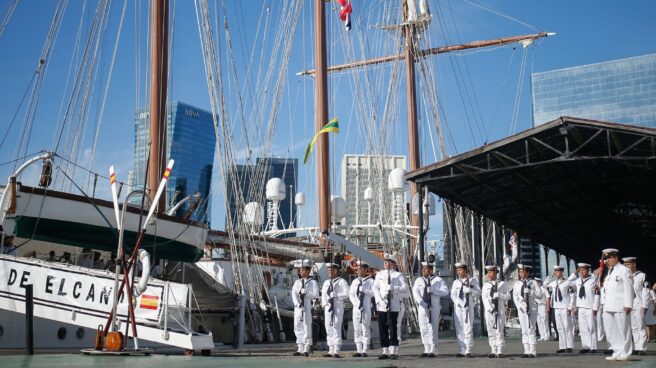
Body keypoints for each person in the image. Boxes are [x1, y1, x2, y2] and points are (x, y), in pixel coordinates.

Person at [373, 252, 408, 360]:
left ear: (393, 264)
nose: (386, 264)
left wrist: (394, 287)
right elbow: (375, 288)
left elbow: (405, 289)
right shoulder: (380, 275)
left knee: (393, 327)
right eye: (385, 262)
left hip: (393, 304)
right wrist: (378, 300)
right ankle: (385, 350)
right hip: (382, 305)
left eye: (388, 262)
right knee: (382, 327)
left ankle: (393, 350)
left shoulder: (398, 275)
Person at [601, 248, 634, 361]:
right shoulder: (610, 271)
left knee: (623, 329)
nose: (607, 260)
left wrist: (628, 304)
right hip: (608, 305)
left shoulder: (624, 270)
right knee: (611, 329)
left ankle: (626, 351)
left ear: (616, 258)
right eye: (606, 258)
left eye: (609, 258)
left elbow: (629, 288)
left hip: (620, 305)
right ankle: (616, 350)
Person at [412, 261, 448, 358]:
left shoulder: (438, 280)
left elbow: (445, 292)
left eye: (426, 268)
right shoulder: (419, 280)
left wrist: (434, 291)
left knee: (432, 327)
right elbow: (415, 292)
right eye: (423, 268)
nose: (423, 270)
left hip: (434, 306)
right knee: (423, 328)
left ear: (431, 270)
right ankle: (426, 348)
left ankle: (433, 349)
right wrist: (421, 302)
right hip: (423, 306)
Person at [450, 262, 481, 358]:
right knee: (459, 329)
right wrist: (459, 303)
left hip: (468, 307)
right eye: (457, 270)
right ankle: (461, 349)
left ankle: (468, 349)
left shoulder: (472, 281)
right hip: (459, 307)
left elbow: (479, 293)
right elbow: (453, 295)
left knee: (468, 328)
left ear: (465, 270)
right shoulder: (456, 282)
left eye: (460, 270)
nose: (458, 272)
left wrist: (471, 290)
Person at [544, 265, 577, 353]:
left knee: (567, 327)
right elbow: (545, 284)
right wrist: (550, 275)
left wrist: (570, 307)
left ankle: (569, 346)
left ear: (562, 272)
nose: (556, 273)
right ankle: (562, 346)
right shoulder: (554, 283)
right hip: (556, 307)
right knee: (559, 328)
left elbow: (572, 295)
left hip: (565, 307)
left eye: (558, 271)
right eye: (555, 271)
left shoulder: (568, 282)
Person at [513, 264, 543, 357]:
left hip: (532, 308)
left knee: (531, 328)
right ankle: (526, 350)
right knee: (524, 329)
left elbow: (540, 295)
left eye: (523, 271)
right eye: (520, 272)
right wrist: (519, 306)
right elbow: (515, 296)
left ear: (527, 272)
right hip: (522, 308)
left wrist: (531, 292)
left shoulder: (533, 283)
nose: (521, 273)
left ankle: (533, 350)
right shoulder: (517, 284)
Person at [321, 263, 349, 358]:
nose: (330, 272)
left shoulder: (341, 281)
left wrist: (337, 295)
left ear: (336, 271)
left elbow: (346, 294)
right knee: (328, 327)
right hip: (328, 307)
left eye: (331, 270)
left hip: (337, 305)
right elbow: (324, 295)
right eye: (328, 270)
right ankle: (330, 349)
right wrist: (324, 304)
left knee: (336, 326)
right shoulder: (326, 283)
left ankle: (337, 350)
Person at [481, 265, 510, 358]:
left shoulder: (502, 284)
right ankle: (493, 350)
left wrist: (500, 295)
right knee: (491, 330)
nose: (489, 274)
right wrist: (490, 308)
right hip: (489, 310)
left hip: (500, 308)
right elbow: (484, 298)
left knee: (499, 329)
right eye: (488, 272)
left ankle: (500, 350)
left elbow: (508, 296)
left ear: (496, 272)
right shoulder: (485, 285)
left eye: (491, 272)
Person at [291, 259, 318, 357]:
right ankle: (300, 347)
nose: (301, 272)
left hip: (306, 305)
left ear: (308, 271)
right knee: (297, 326)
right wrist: (297, 304)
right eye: (300, 270)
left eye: (303, 270)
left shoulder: (312, 282)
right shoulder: (297, 282)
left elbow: (316, 294)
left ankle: (307, 348)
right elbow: (293, 293)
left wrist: (306, 292)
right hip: (298, 307)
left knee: (306, 326)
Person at [622, 257, 648, 355]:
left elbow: (645, 291)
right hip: (629, 304)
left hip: (638, 303)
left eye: (628, 264)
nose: (626, 266)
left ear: (634, 264)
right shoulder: (625, 276)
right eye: (625, 264)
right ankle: (637, 347)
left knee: (640, 326)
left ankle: (642, 348)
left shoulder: (642, 276)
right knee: (633, 327)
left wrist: (644, 305)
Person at [573, 263, 600, 353]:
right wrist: (574, 273)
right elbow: (569, 283)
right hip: (581, 307)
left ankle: (593, 347)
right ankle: (586, 346)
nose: (582, 271)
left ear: (588, 270)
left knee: (592, 327)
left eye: (583, 269)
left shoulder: (593, 280)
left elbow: (597, 294)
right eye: (580, 270)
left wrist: (595, 307)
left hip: (590, 307)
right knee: (583, 328)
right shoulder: (577, 281)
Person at [349, 261, 374, 357]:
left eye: (360, 269)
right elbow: (351, 294)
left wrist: (365, 291)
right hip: (356, 308)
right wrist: (356, 303)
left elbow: (374, 293)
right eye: (357, 269)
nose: (358, 271)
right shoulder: (355, 282)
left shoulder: (370, 281)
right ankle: (358, 349)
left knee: (365, 327)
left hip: (366, 306)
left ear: (365, 269)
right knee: (357, 329)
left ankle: (365, 350)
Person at [534, 277, 550, 341]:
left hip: (543, 305)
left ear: (540, 282)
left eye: (538, 282)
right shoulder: (534, 289)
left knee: (544, 321)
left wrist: (547, 306)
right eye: (536, 282)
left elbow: (548, 298)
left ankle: (547, 335)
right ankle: (542, 335)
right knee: (539, 321)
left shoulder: (543, 289)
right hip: (536, 306)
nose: (537, 283)